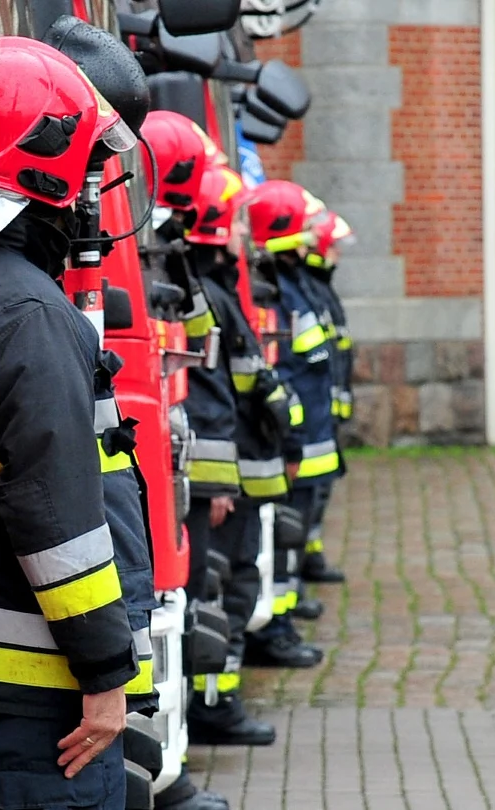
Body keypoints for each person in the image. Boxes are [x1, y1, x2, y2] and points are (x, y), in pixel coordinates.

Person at [0, 38, 143, 810]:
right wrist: (106, 673)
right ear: (41, 164)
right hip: (45, 704)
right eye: (83, 172)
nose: (86, 196)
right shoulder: (27, 313)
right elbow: (57, 515)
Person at [140, 109, 235, 810]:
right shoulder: (155, 254)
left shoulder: (169, 257)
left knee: (189, 589)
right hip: (170, 455)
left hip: (179, 453)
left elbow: (201, 363)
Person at [182, 162, 291, 743]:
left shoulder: (210, 292)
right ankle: (214, 707)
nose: (245, 235)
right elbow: (212, 394)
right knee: (222, 587)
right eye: (237, 223)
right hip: (223, 474)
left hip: (234, 469)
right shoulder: (208, 297)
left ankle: (216, 702)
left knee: (230, 582)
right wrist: (217, 483)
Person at [242, 179, 338, 667]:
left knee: (291, 536)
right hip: (289, 445)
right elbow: (281, 375)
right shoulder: (275, 294)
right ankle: (273, 629)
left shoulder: (291, 286)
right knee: (279, 537)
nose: (312, 242)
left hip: (304, 440)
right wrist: (293, 443)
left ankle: (284, 612)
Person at [300, 210, 357, 583]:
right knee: (310, 493)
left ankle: (311, 552)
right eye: (333, 246)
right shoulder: (307, 287)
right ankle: (306, 556)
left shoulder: (319, 287)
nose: (337, 253)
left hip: (326, 409)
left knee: (320, 491)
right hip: (314, 411)